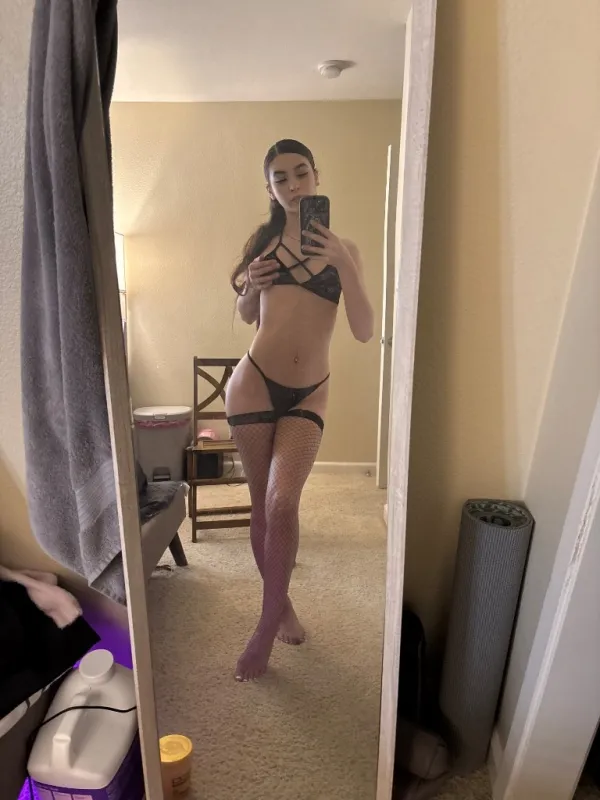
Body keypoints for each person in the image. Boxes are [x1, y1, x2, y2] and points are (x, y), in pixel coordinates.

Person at [226, 139, 374, 681]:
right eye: (280, 178)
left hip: (310, 391)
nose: (292, 186)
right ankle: (280, 607)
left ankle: (264, 627)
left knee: (283, 500)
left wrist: (344, 265)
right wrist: (250, 286)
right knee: (261, 507)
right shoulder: (263, 246)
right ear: (269, 189)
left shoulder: (344, 249)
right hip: (252, 385)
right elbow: (247, 315)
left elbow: (364, 330)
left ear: (316, 177)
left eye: (300, 173)